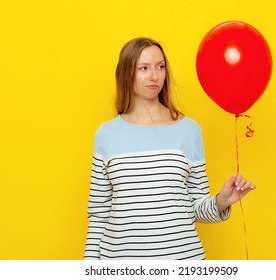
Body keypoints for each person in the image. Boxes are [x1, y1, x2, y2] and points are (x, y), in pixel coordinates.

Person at [84, 37, 255, 260]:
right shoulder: (106, 134)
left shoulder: (189, 130)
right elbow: (98, 216)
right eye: (143, 68)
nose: (154, 76)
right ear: (127, 73)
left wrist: (221, 202)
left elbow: (195, 207)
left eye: (160, 66)